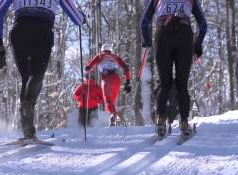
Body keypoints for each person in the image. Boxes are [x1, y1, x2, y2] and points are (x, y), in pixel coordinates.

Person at [0, 0, 85, 140]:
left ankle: (27, 128)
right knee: (36, 76)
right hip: (42, 32)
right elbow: (77, 18)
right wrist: (82, 18)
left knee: (26, 78)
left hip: (20, 31)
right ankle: (28, 106)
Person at [140, 0, 207, 136]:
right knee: (182, 84)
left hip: (162, 35)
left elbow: (143, 23)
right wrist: (198, 45)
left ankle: (160, 119)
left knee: (165, 83)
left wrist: (147, 41)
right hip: (184, 36)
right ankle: (184, 121)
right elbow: (203, 25)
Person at [85, 43, 132, 126]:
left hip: (107, 79)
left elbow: (89, 66)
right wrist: (128, 82)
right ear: (111, 50)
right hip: (117, 79)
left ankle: (113, 115)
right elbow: (126, 68)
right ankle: (113, 117)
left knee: (107, 100)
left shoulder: (100, 56)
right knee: (112, 101)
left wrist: (88, 70)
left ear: (102, 50)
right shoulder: (115, 57)